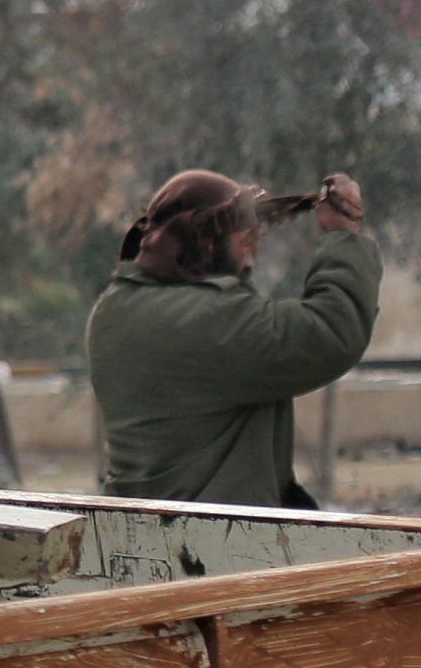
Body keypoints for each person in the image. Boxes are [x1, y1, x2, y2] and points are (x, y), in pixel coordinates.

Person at [85, 170, 376, 509]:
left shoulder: (113, 309)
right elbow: (332, 332)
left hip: (136, 534)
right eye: (246, 239)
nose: (254, 251)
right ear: (206, 243)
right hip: (211, 546)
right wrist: (343, 233)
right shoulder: (211, 322)